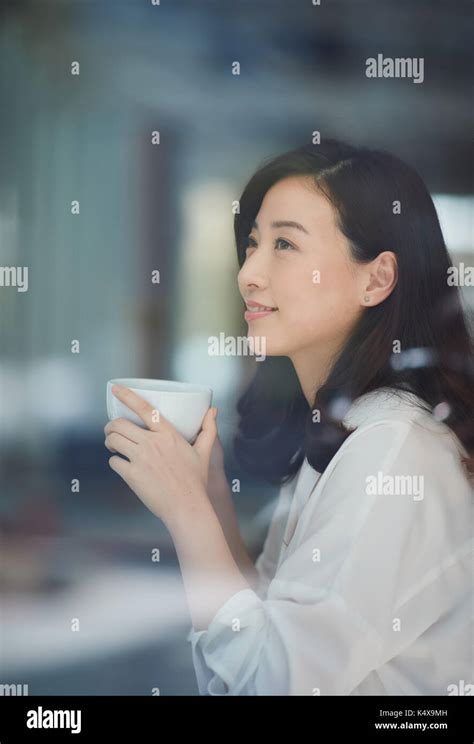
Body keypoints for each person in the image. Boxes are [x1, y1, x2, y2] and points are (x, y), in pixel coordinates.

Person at [104, 140, 473, 695]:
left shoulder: (394, 450)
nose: (248, 273)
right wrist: (209, 501)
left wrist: (186, 514)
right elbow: (256, 641)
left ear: (375, 279)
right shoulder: (353, 430)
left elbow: (271, 685)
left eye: (284, 245)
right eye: (252, 243)